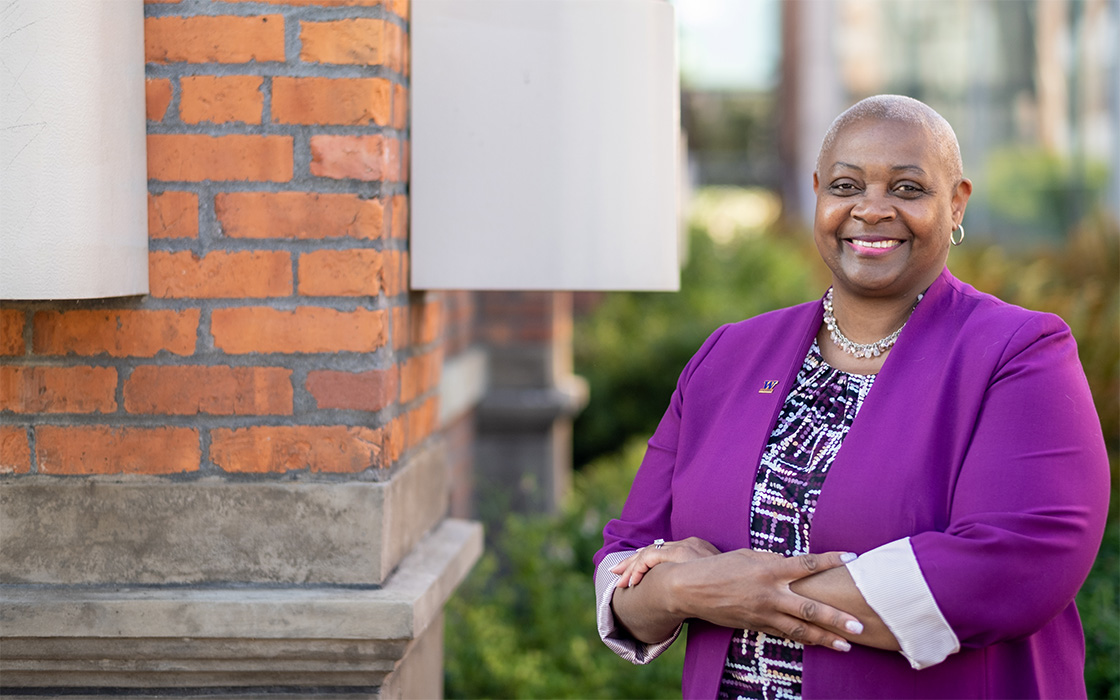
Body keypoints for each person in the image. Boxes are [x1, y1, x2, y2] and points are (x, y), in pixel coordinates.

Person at [593, 94, 1110, 699]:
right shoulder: (729, 356)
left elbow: (1018, 567)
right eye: (846, 185)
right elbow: (624, 564)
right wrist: (682, 591)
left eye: (908, 189)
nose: (871, 209)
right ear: (818, 193)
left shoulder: (1017, 353)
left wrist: (733, 591)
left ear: (956, 202)